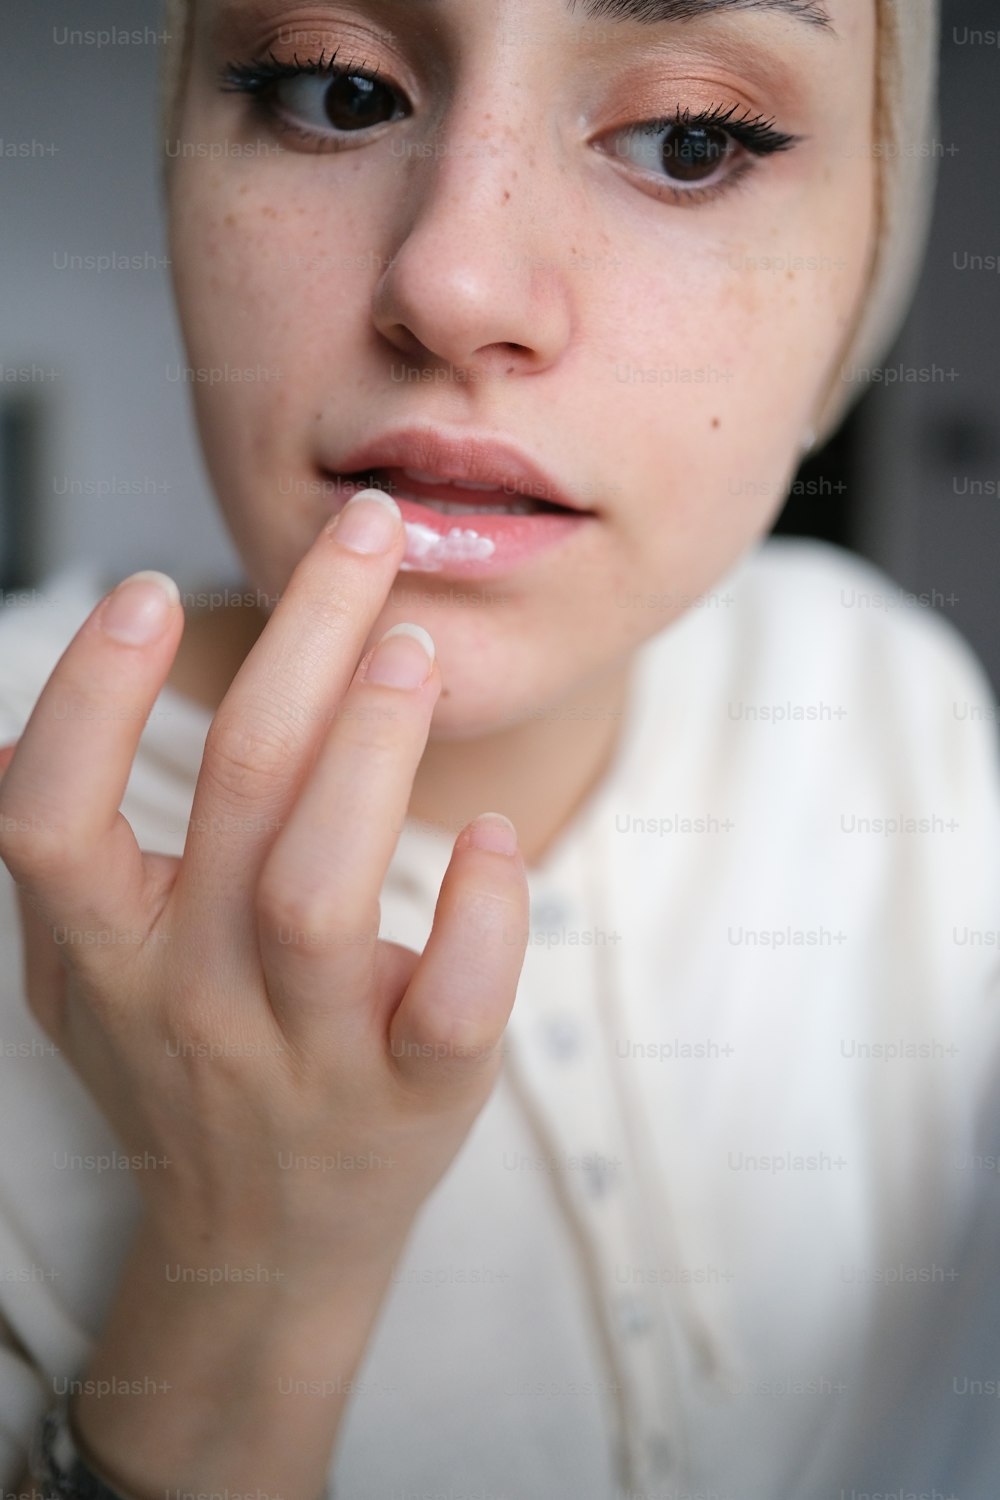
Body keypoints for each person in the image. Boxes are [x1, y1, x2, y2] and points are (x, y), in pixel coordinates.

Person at [1, 0, 998, 1496]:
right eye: (335, 96)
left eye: (691, 139)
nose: (453, 284)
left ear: (869, 267)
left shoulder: (885, 702)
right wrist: (248, 1272)